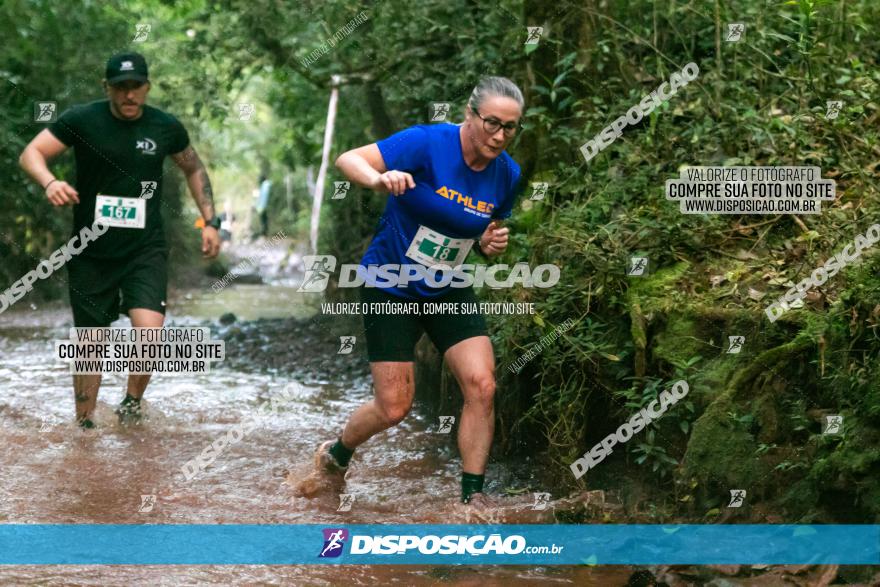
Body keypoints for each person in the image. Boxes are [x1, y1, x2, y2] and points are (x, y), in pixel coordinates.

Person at [298, 76, 524, 507]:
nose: (499, 135)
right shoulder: (427, 143)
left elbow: (478, 229)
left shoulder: (506, 173)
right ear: (470, 115)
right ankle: (336, 453)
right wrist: (379, 180)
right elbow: (350, 159)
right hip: (391, 284)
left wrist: (487, 243)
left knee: (482, 385)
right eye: (492, 123)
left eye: (510, 127)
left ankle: (471, 501)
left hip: (447, 285)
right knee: (395, 407)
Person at [18, 51, 221, 428]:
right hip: (90, 251)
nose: (129, 95)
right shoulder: (82, 119)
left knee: (149, 335)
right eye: (121, 87)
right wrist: (50, 182)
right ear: (107, 88)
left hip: (145, 248)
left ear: (147, 86)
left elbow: (192, 166)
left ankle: (130, 404)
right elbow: (31, 153)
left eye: (137, 87)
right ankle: (85, 426)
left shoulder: (165, 127)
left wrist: (210, 220)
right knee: (91, 345)